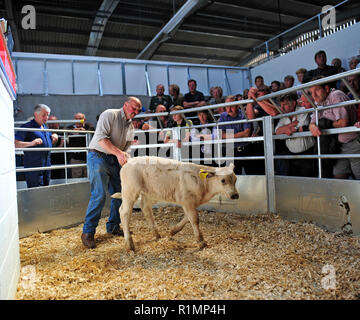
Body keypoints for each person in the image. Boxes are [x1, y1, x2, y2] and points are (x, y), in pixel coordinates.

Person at [81, 96, 142, 249]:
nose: (135, 111)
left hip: (114, 159)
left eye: (138, 110)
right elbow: (101, 139)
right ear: (125, 105)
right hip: (98, 156)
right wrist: (119, 154)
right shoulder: (110, 114)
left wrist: (126, 158)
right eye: (133, 107)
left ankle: (113, 226)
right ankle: (88, 232)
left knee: (121, 193)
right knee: (99, 194)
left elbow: (126, 149)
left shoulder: (131, 127)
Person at [308, 77, 360, 179]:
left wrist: (326, 123)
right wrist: (313, 126)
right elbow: (312, 123)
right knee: (339, 177)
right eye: (311, 92)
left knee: (359, 177)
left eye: (317, 90)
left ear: (326, 88)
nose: (314, 95)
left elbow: (343, 123)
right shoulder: (319, 102)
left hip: (352, 143)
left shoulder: (336, 95)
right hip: (338, 146)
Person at [14, 104, 58, 188]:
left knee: (46, 191)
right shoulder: (27, 127)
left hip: (46, 167)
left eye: (47, 115)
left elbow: (45, 145)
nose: (46, 117)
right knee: (35, 194)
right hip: (34, 168)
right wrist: (31, 143)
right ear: (35, 114)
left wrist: (54, 137)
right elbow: (15, 143)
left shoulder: (45, 127)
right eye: (44, 115)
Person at [274, 93, 316, 177]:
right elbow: (277, 131)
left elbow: (300, 127)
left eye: (284, 105)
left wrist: (285, 129)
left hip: (308, 154)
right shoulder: (284, 115)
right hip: (292, 156)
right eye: (280, 105)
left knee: (309, 182)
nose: (281, 108)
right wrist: (289, 126)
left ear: (293, 103)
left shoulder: (302, 110)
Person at [218, 96, 251, 175]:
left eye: (231, 106)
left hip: (245, 149)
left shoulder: (243, 114)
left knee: (250, 175)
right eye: (227, 106)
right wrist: (240, 134)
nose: (229, 109)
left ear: (237, 105)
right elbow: (221, 135)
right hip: (231, 151)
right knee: (232, 176)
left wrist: (229, 136)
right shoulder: (223, 116)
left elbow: (247, 133)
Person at [67, 113, 95, 179]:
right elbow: (62, 131)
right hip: (76, 158)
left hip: (88, 158)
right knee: (77, 178)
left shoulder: (88, 126)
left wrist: (82, 131)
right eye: (76, 119)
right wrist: (71, 131)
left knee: (89, 178)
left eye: (80, 119)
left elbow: (92, 130)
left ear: (84, 120)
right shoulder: (70, 128)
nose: (78, 121)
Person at [48, 115, 65, 180]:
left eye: (53, 123)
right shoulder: (46, 131)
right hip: (50, 158)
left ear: (58, 123)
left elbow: (63, 143)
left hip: (61, 158)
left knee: (61, 176)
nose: (51, 125)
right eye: (50, 123)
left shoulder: (62, 130)